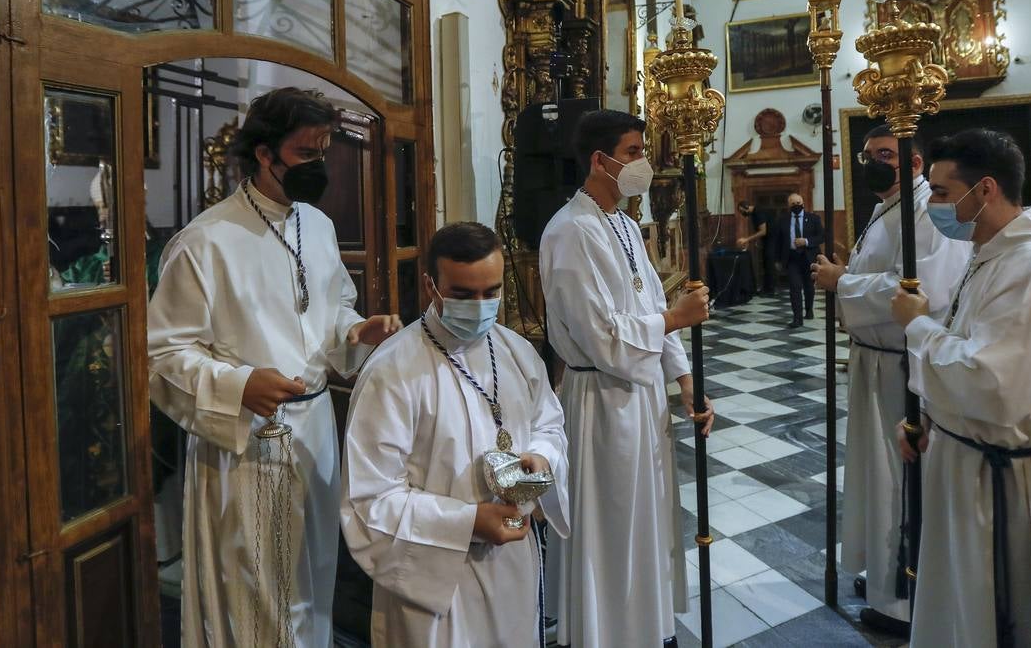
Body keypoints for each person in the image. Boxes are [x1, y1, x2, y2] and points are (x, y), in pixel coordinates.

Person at [147, 87, 402, 648]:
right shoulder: (206, 241)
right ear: (265, 154)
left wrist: (355, 332)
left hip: (314, 432)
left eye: (324, 152)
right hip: (245, 441)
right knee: (255, 589)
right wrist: (239, 386)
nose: (319, 166)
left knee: (311, 577)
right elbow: (163, 355)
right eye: (306, 154)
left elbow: (331, 307)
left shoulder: (317, 226)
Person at [889, 128, 1031, 648]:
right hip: (973, 463)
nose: (934, 204)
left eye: (941, 192)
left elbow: (992, 386)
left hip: (1017, 485)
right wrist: (936, 422)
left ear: (984, 189)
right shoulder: (993, 255)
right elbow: (971, 352)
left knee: (1014, 619)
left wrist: (916, 326)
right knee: (965, 618)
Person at [341, 222, 569, 647]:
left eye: (492, 292)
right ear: (432, 286)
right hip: (436, 590)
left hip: (513, 567)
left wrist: (541, 457)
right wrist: (467, 523)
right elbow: (369, 501)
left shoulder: (515, 351)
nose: (481, 306)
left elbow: (548, 423)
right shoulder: (392, 372)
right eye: (464, 295)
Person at [539, 108, 714, 648]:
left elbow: (652, 302)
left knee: (646, 520)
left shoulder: (622, 221)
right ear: (600, 160)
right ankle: (604, 634)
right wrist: (673, 319)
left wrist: (684, 379)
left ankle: (643, 627)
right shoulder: (570, 231)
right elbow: (599, 335)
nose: (644, 165)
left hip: (641, 399)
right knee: (611, 525)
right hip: (600, 400)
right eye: (635, 152)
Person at [811, 126, 971, 638]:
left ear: (915, 161)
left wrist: (843, 282)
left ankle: (901, 598)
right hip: (873, 360)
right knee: (874, 475)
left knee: (895, 480)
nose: (873, 163)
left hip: (900, 364)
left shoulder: (924, 210)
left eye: (885, 154)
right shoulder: (890, 206)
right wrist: (848, 276)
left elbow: (921, 288)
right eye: (868, 155)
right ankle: (883, 576)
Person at [774, 191, 822, 328]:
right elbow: (778, 241)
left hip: (809, 257)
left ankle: (809, 310)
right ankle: (797, 318)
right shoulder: (782, 220)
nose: (796, 205)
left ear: (803, 204)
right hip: (792, 258)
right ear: (789, 205)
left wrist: (806, 241)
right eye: (793, 203)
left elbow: (821, 236)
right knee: (795, 288)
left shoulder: (813, 218)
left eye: (798, 203)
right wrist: (777, 260)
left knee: (808, 286)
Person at [735, 198, 774, 294]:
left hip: (772, 240)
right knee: (765, 264)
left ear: (746, 207)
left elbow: (763, 231)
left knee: (769, 264)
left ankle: (770, 290)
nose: (742, 214)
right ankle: (766, 288)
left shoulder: (758, 213)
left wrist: (746, 239)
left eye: (742, 211)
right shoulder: (754, 213)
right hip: (767, 240)